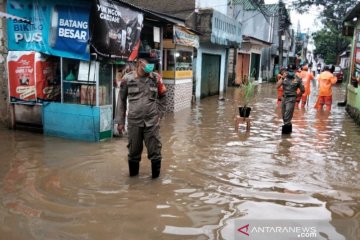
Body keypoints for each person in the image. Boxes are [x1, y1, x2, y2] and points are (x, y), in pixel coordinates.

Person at [114, 58, 167, 178]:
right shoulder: (127, 79)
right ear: (139, 65)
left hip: (152, 122)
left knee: (155, 152)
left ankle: (155, 184)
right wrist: (120, 122)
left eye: (150, 67)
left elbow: (163, 96)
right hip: (134, 122)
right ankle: (133, 184)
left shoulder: (156, 78)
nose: (148, 69)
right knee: (133, 153)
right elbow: (121, 100)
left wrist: (160, 114)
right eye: (145, 67)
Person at [276, 64, 305, 134]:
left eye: (292, 71)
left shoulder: (298, 79)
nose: (290, 72)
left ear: (295, 71)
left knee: (287, 116)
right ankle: (288, 132)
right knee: (284, 116)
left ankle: (285, 136)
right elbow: (277, 86)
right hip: (284, 98)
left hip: (291, 99)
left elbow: (302, 90)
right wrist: (282, 78)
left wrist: (298, 95)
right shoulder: (284, 77)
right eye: (289, 71)